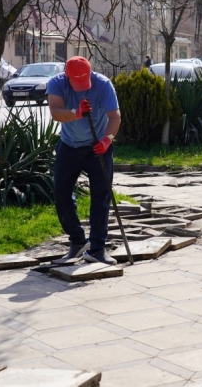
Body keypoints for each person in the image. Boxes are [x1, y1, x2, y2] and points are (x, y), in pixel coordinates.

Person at [47, 56, 122, 265]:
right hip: (69, 146)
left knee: (101, 196)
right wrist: (77, 113)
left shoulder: (103, 84)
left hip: (98, 147)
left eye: (85, 79)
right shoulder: (56, 83)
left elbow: (115, 116)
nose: (82, 85)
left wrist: (107, 140)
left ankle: (97, 248)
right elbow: (55, 112)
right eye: (77, 81)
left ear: (91, 72)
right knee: (61, 194)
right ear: (66, 75)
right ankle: (78, 241)